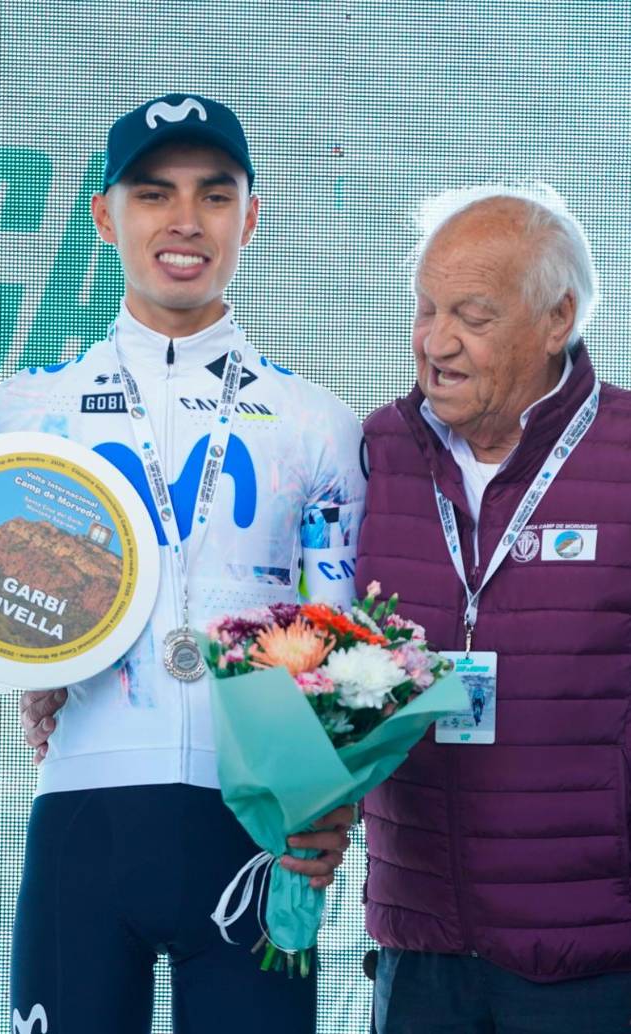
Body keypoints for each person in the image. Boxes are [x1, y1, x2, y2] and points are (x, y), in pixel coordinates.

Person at [0, 93, 364, 1033]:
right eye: (152, 194)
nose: (185, 221)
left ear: (251, 216)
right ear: (105, 216)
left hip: (255, 823)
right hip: (84, 818)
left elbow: (336, 636)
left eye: (215, 195)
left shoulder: (319, 423)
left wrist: (325, 796)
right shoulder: (22, 410)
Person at [356, 184, 631, 1033]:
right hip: (419, 946)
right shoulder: (379, 451)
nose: (436, 343)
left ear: (558, 320)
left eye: (471, 316)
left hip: (592, 957)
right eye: (426, 309)